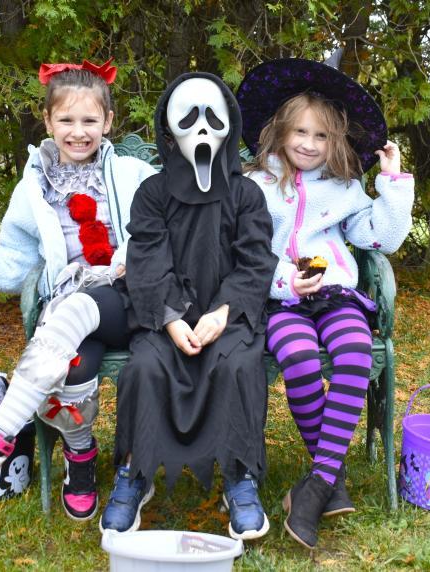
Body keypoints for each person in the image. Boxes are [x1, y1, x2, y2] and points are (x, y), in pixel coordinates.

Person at [0, 58, 156, 521]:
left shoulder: (132, 176)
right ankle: (80, 458)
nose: (77, 131)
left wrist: (130, 256)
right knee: (73, 370)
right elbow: (14, 264)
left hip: (131, 298)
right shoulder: (33, 189)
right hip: (72, 316)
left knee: (78, 310)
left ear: (108, 121)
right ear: (47, 121)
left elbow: (161, 232)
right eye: (66, 119)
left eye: (89, 120)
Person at [236, 55, 415, 549]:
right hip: (282, 302)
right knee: (296, 356)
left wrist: (393, 184)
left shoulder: (344, 187)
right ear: (279, 130)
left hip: (336, 295)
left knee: (355, 354)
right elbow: (246, 252)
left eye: (321, 137)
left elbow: (382, 238)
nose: (309, 145)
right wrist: (283, 283)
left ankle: (315, 484)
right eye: (300, 132)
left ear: (335, 142)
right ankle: (329, 479)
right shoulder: (256, 186)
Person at [98, 72, 278, 540]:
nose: (201, 128)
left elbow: (256, 261)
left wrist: (223, 311)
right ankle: (135, 473)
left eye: (211, 117)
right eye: (190, 116)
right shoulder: (152, 195)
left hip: (229, 318)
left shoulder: (246, 195)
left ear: (229, 125)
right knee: (144, 369)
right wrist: (174, 318)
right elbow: (146, 259)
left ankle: (239, 475)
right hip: (163, 319)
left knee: (240, 364)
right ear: (169, 126)